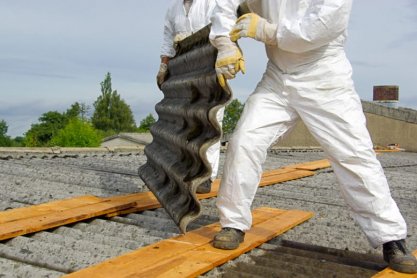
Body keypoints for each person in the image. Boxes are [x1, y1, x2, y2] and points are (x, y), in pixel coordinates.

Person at [208, 0, 417, 274]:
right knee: (244, 141)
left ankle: (391, 238)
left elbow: (317, 28)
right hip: (277, 78)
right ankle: (233, 223)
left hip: (324, 77)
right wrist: (225, 43)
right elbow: (226, 3)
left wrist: (266, 31)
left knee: (353, 155)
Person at [156, 0, 223, 194]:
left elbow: (224, 29)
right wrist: (164, 65)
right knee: (186, 120)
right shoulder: (174, 9)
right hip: (184, 68)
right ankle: (186, 170)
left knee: (211, 120)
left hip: (211, 65)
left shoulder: (212, 3)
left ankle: (207, 175)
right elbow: (168, 38)